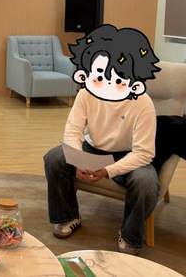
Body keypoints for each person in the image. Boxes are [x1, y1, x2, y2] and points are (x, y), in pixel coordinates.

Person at [43, 25, 161, 256]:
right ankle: (68, 217)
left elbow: (144, 153)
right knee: (54, 158)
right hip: (94, 148)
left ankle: (130, 235)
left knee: (146, 183)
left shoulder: (143, 103)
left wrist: (108, 170)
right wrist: (78, 160)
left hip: (129, 155)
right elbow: (73, 130)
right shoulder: (86, 92)